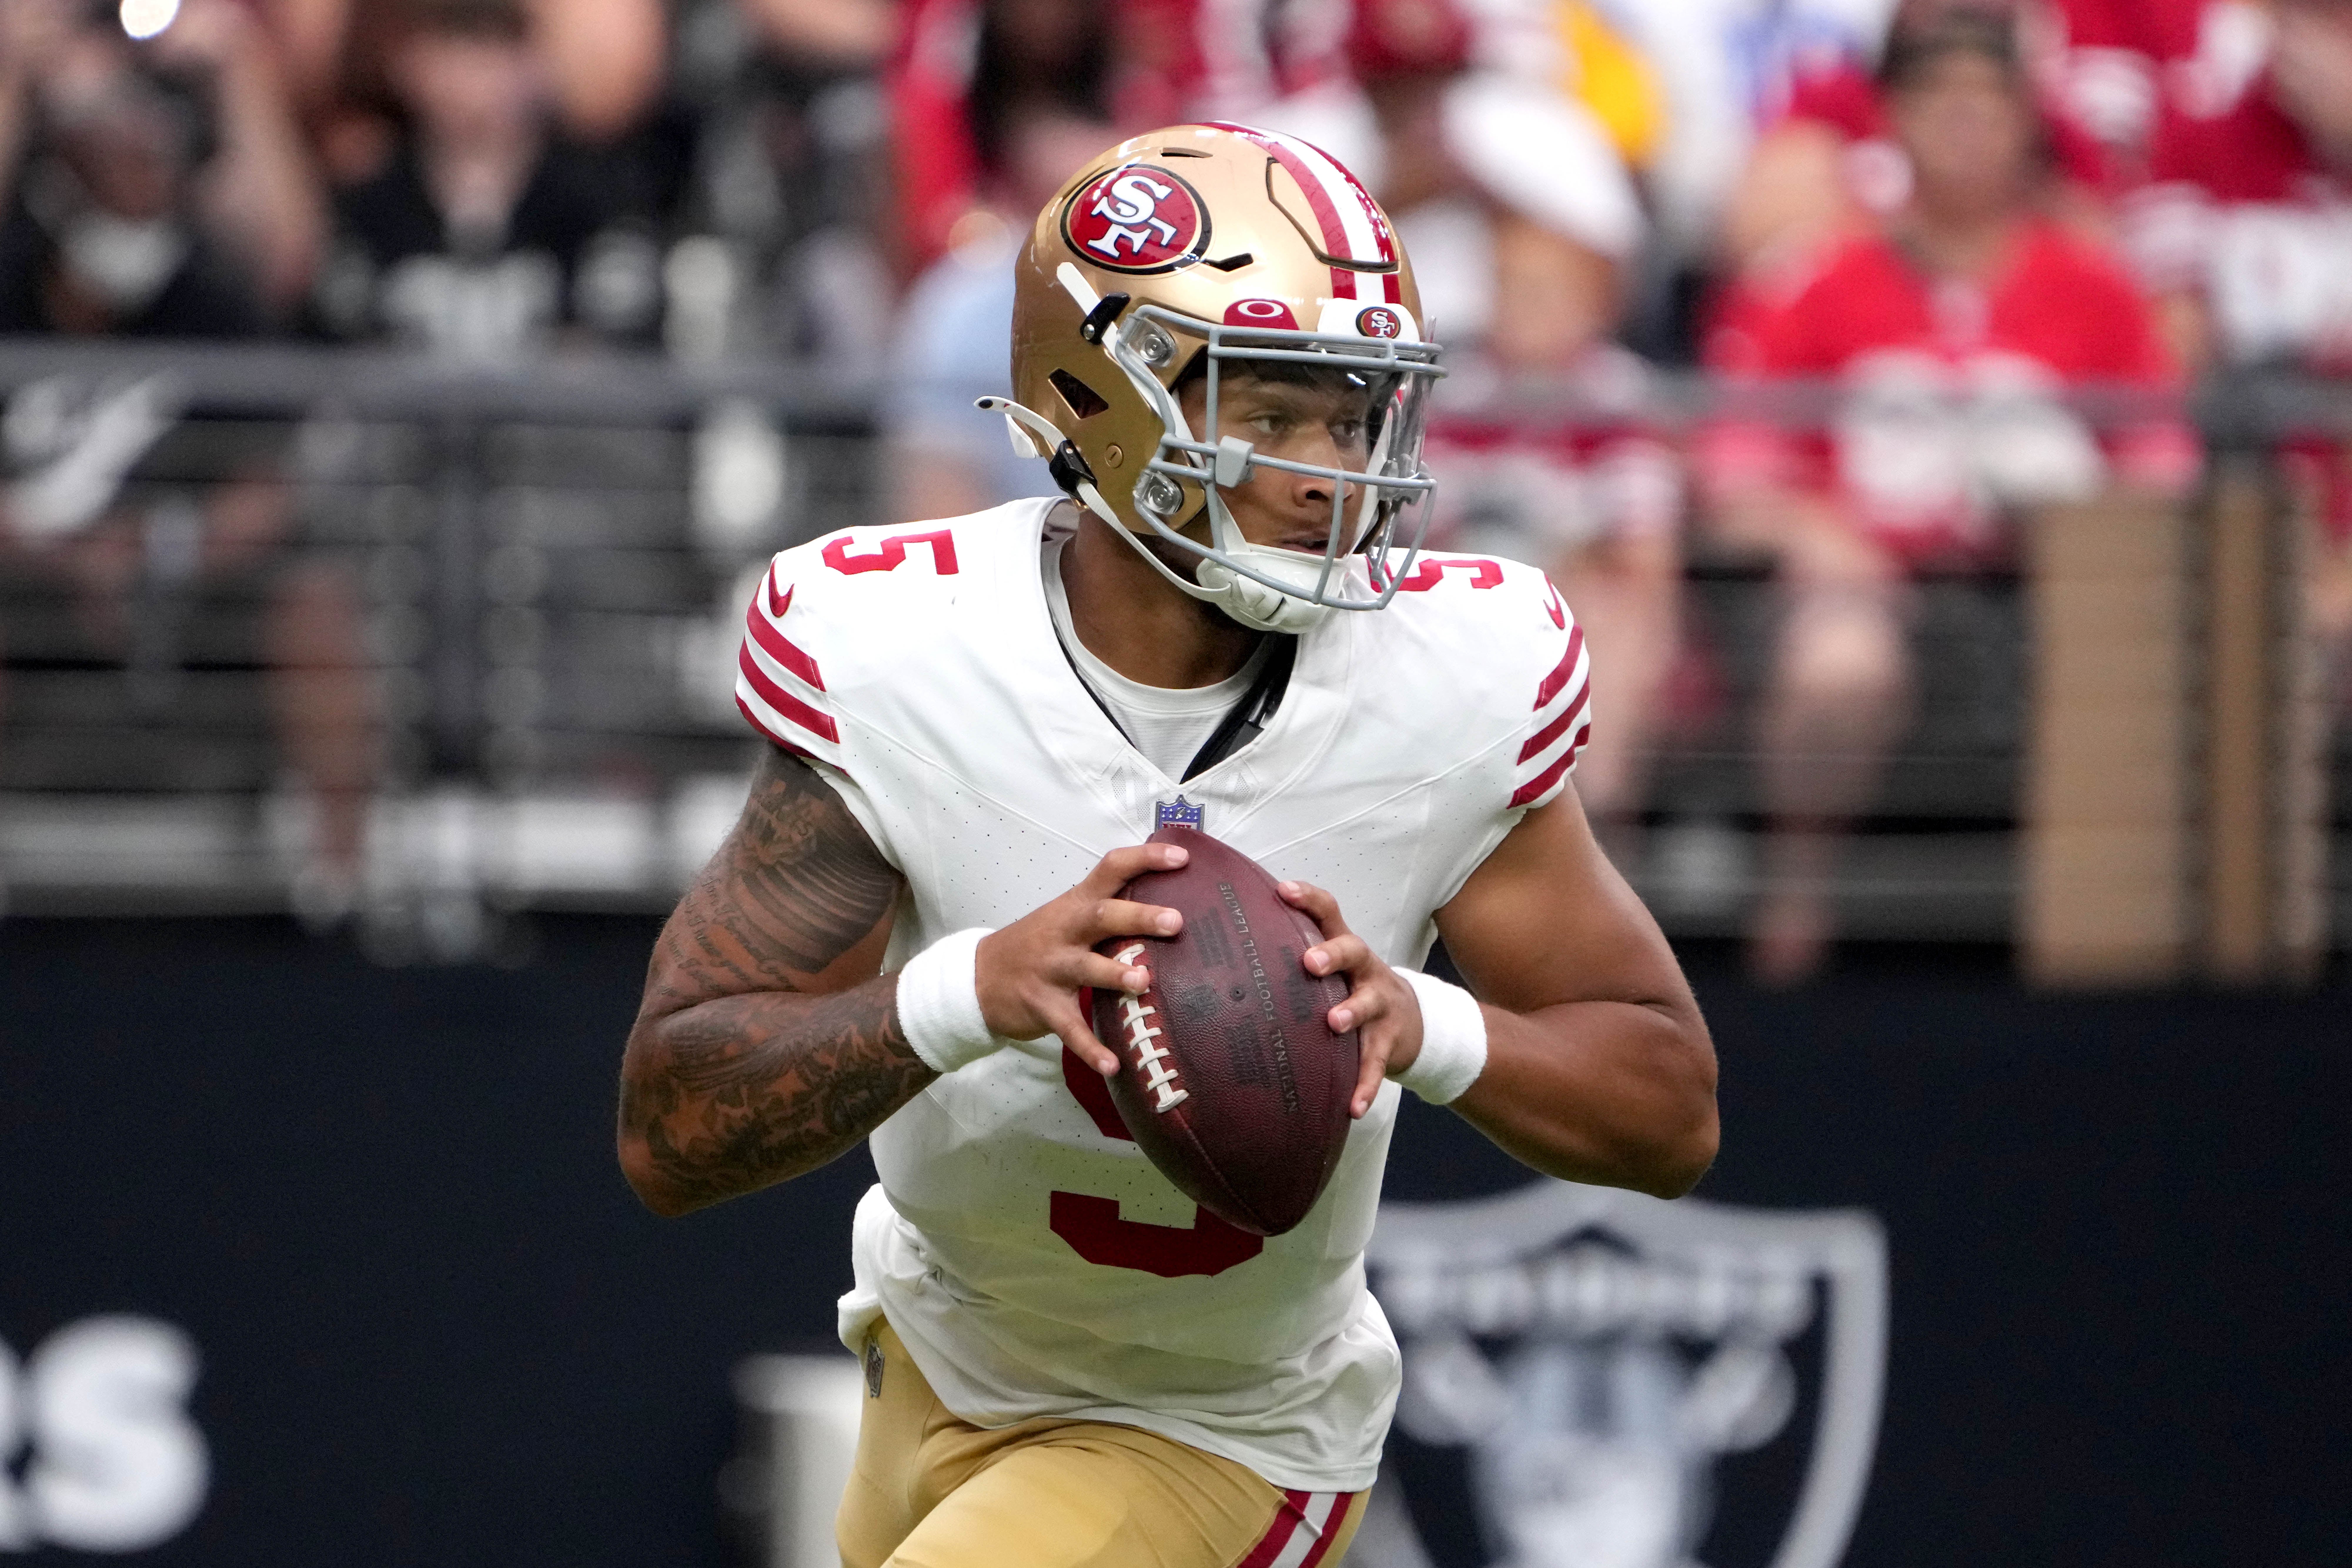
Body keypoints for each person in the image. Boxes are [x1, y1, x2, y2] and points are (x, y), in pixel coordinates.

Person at [617, 122, 1718, 1567]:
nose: (1332, 473)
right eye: (1275, 412)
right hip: (935, 1362)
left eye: (1354, 416)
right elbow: (671, 1126)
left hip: (1228, 1433)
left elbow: (1671, 1103)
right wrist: (972, 990)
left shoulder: (1444, 683)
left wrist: (1425, 1022)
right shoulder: (909, 657)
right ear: (1102, 399)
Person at [1701, 9, 2193, 982]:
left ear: (2025, 122)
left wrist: (2076, 529)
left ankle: (2109, 952)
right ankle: (1793, 911)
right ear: (1891, 121)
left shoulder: (2096, 288)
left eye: (1987, 102)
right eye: (1937, 102)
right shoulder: (1815, 278)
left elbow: (2162, 468)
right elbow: (1729, 472)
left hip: (2046, 594)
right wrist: (1818, 529)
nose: (1963, 125)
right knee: (1840, 663)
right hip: (1868, 585)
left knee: (2130, 653)